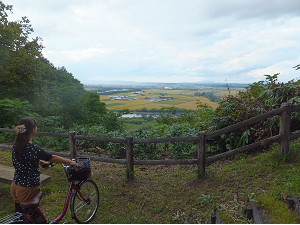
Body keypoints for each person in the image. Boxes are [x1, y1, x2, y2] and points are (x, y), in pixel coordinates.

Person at [11, 117, 78, 212]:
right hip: (27, 188)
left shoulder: (16, 145)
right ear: (33, 129)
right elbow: (52, 157)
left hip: (15, 185)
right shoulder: (34, 148)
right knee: (31, 216)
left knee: (20, 215)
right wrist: (70, 162)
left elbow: (23, 159)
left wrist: (41, 162)